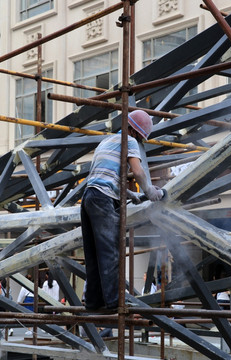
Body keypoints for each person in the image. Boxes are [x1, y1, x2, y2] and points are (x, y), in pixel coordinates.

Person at [81, 110, 163, 311]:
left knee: (93, 254)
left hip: (88, 197)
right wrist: (149, 190)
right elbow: (137, 171)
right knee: (111, 251)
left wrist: (127, 193)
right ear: (136, 133)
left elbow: (102, 176)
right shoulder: (130, 142)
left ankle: (93, 302)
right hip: (102, 199)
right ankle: (113, 301)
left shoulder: (106, 142)